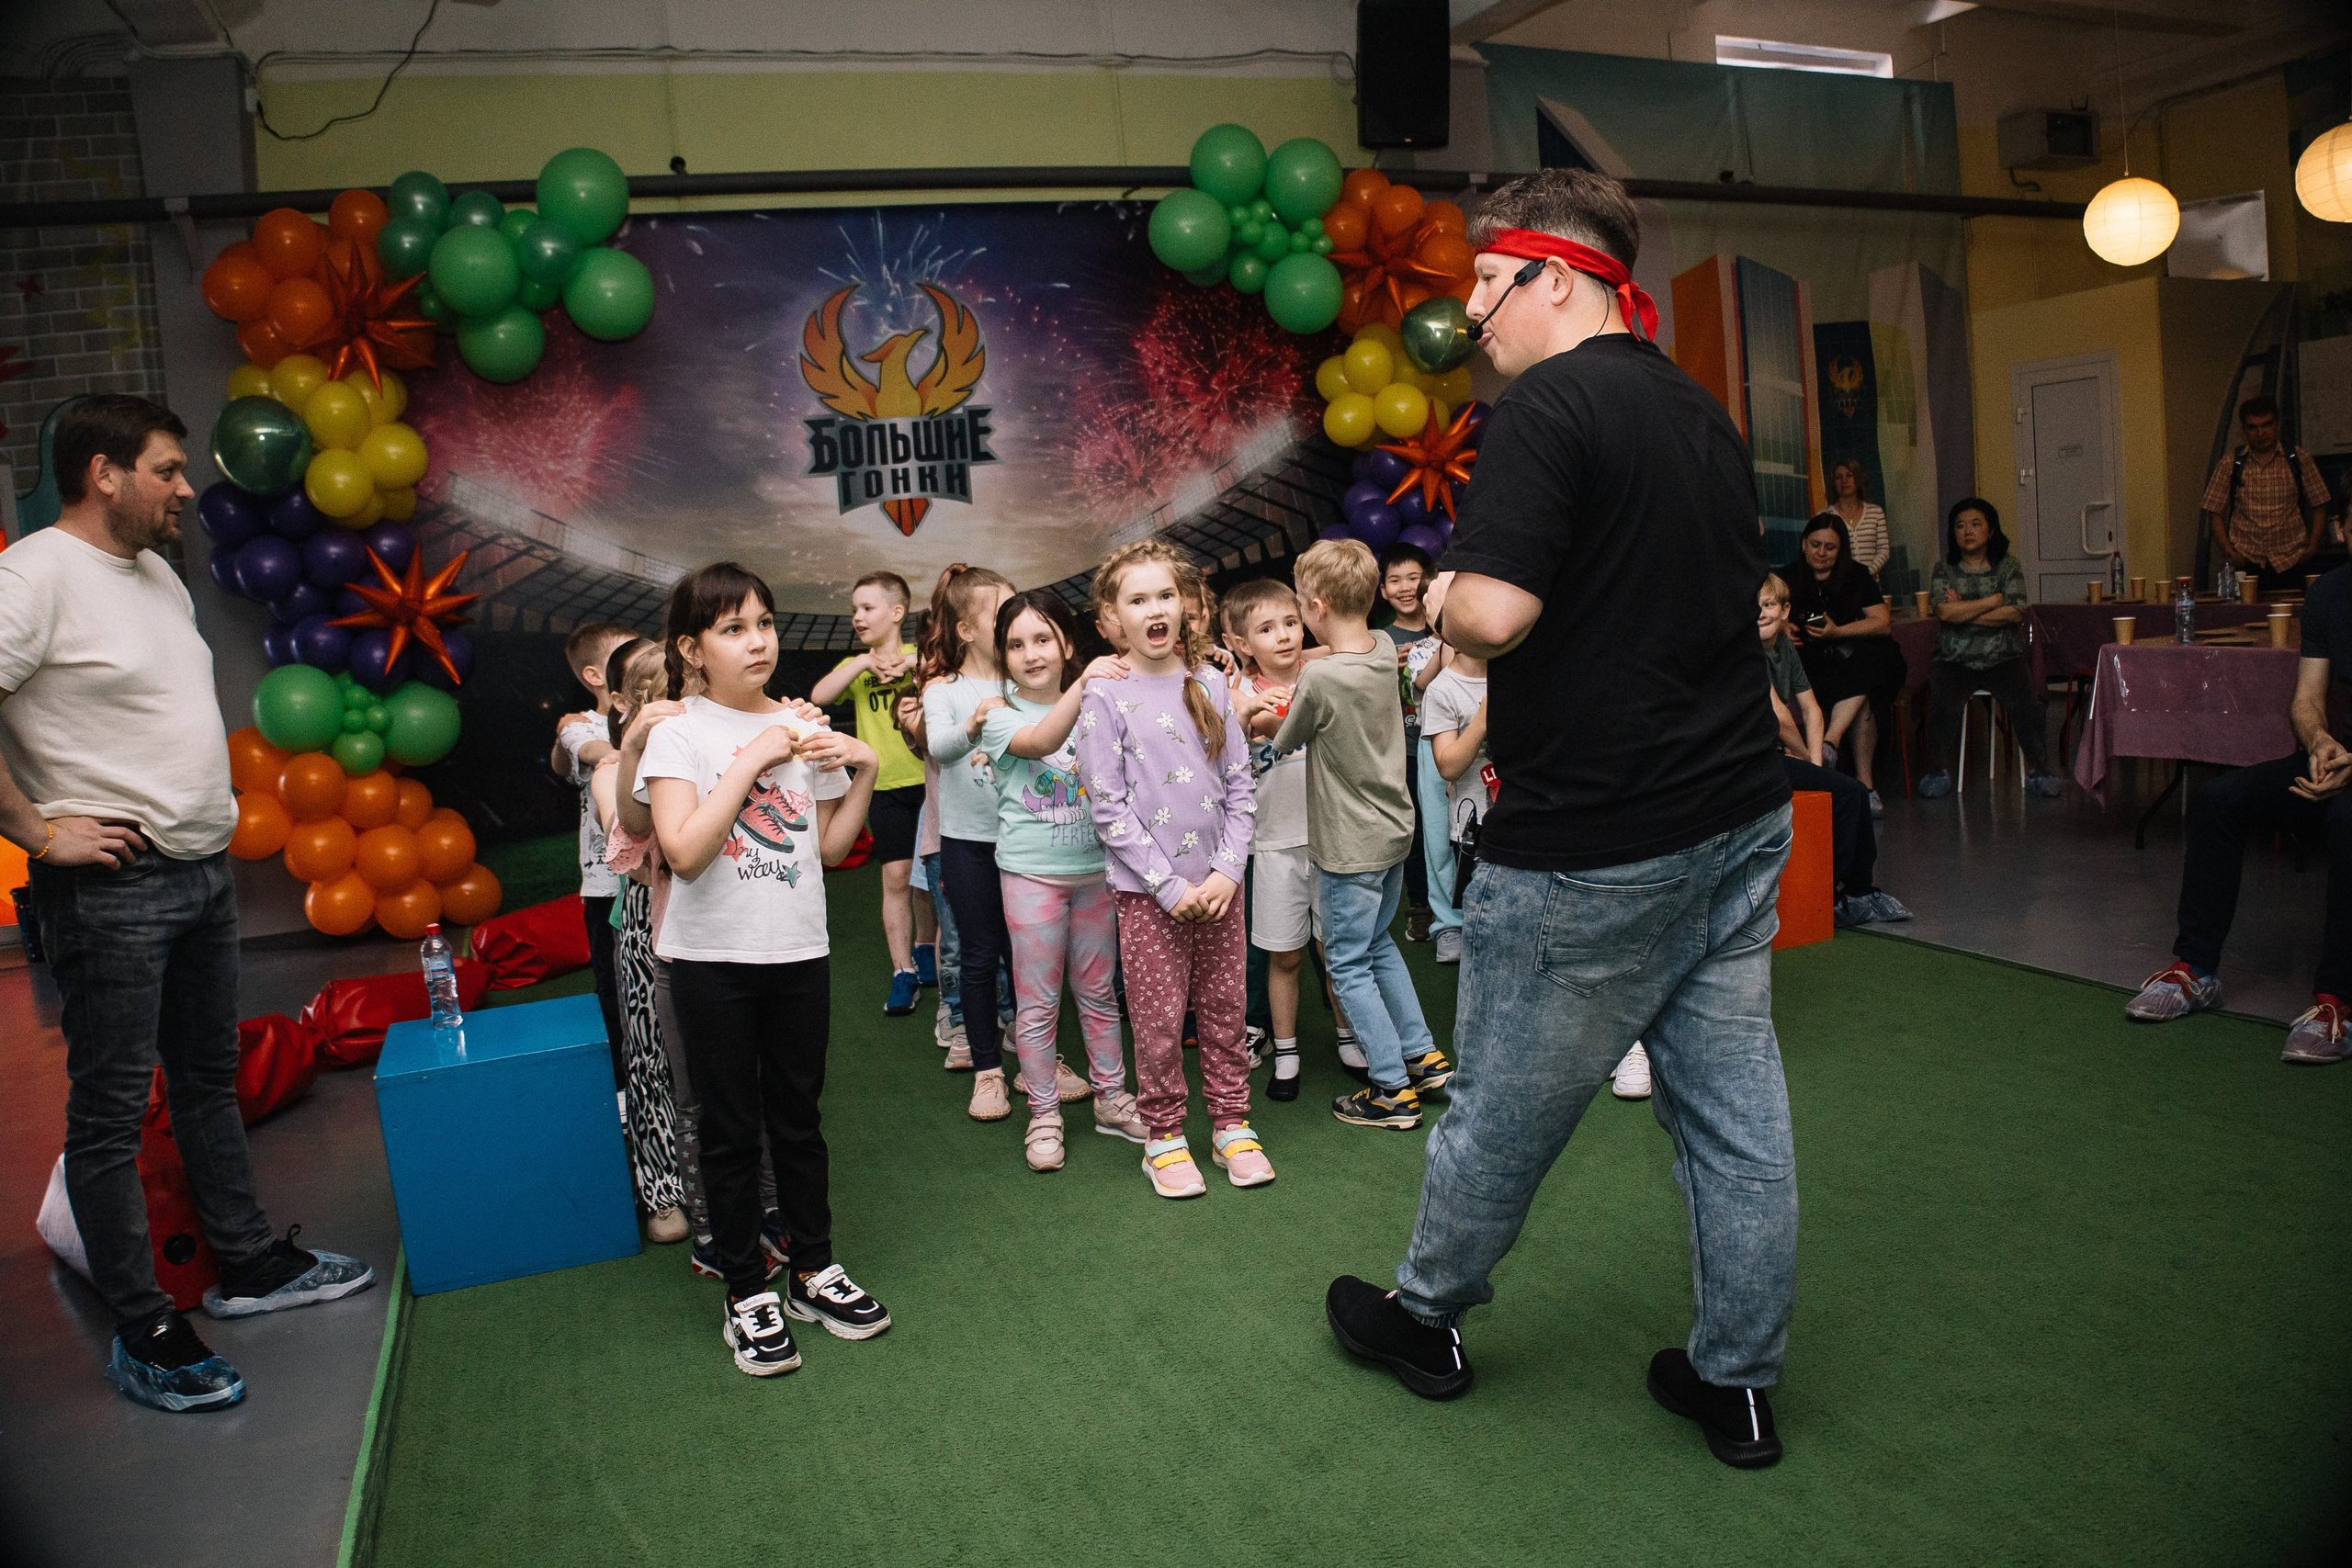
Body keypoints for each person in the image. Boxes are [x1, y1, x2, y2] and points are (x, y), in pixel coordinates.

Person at [1322, 169, 1798, 1471]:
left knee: (1498, 1114)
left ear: (1561, 278)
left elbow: (1494, 616)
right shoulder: (1696, 402)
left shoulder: (1544, 407)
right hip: (1739, 813)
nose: (1469, 307)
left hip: (1600, 837)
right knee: (1733, 1113)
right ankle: (1737, 1380)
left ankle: (1424, 1317)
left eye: (1488, 280)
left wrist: (1445, 599)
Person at [0, 395, 371, 1413]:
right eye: (166, 470)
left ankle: (247, 1267)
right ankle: (144, 1325)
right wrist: (36, 831)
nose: (184, 490)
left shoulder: (156, 573)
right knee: (112, 1114)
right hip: (110, 887)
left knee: (208, 1083)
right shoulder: (32, 577)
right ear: (103, 474)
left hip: (199, 874)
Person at [639, 562, 889, 1376]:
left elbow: (824, 848)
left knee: (799, 1118)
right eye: (734, 628)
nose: (759, 641)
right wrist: (755, 755)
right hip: (712, 962)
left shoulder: (799, 724)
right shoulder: (682, 732)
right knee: (729, 1127)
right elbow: (682, 849)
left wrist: (863, 769)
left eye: (766, 623)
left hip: (798, 952)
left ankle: (815, 1269)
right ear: (693, 647)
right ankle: (746, 1287)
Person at [1076, 541, 1273, 1196]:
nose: (1155, 609)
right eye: (1138, 599)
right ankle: (1162, 1134)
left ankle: (1231, 1123)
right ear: (1111, 619)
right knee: (1160, 1020)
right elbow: (1106, 805)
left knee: (1224, 1005)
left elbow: (1240, 785)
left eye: (1165, 595)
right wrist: (1166, 884)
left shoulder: (1212, 681)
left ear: (1186, 606)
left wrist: (1226, 870)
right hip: (1148, 896)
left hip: (1221, 889)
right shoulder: (1106, 694)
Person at [2124, 555, 2349, 1063]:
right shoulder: (2330, 594)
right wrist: (2318, 743)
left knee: (2346, 820)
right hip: (2334, 758)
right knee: (2220, 799)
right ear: (2343, 529)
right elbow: (2305, 700)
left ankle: (2338, 1003)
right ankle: (2196, 971)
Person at [1273, 538, 1453, 1132]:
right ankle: (1423, 1055)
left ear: (1316, 606)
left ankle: (1390, 1088)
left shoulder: (1319, 676)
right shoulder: (1383, 647)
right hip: (1394, 829)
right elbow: (1349, 648)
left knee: (1347, 962)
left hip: (1348, 844)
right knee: (1380, 946)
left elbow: (1283, 740)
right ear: (1374, 594)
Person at [971, 592, 1148, 1166]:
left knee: (1099, 993)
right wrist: (1088, 679)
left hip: (1098, 873)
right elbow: (1041, 741)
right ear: (1002, 655)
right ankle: (1044, 1113)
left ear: (1066, 643)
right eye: (1016, 644)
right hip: (1031, 876)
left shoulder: (1103, 701)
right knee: (1038, 1003)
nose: (1031, 653)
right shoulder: (997, 715)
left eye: (1043, 639)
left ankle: (1111, 1099)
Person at [588, 638, 688, 1245]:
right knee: (650, 1059)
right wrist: (636, 750)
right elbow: (628, 853)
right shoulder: (610, 771)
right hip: (646, 927)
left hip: (712, 926)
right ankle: (662, 1189)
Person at [917, 565, 1025, 1101]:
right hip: (968, 844)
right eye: (1000, 612)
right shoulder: (945, 690)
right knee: (981, 955)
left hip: (1028, 842)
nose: (1013, 620)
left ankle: (1037, 1060)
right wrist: (973, 723)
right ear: (964, 629)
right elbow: (938, 747)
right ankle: (988, 1070)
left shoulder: (1026, 678)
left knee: (1030, 956)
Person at [810, 570, 934, 1016]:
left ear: (897, 612)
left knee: (930, 879)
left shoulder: (923, 657)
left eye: (867, 608)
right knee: (897, 878)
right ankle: (903, 970)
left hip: (930, 783)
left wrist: (914, 669)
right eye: (854, 610)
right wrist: (863, 663)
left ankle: (927, 947)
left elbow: (957, 681)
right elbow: (819, 695)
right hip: (883, 790)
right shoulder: (856, 667)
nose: (858, 617)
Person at [1760, 574, 1912, 927]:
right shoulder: (1749, 653)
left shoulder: (1783, 648)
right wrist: (1814, 767)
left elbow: (1812, 710)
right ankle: (1830, 894)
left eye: (1768, 606)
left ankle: (1860, 888)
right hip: (1755, 760)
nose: (1761, 615)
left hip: (1779, 754)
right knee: (1848, 794)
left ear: (1785, 612)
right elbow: (1780, 717)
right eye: (1755, 608)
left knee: (1854, 792)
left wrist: (1815, 763)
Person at [1224, 578, 1320, 1101]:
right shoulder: (1235, 695)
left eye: (1290, 622)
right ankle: (1286, 1051)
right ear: (1242, 643)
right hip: (1274, 841)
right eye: (1266, 628)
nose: (1284, 636)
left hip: (1335, 839)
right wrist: (1254, 713)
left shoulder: (1326, 674)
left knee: (1338, 949)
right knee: (1284, 954)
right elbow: (1229, 743)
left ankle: (1352, 1040)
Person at [1916, 499, 2063, 800]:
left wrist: (1963, 610)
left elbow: (2014, 613)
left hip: (2003, 657)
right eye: (1959, 525)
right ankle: (1936, 771)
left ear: (1990, 530)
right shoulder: (1943, 569)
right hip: (1955, 659)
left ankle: (2039, 770)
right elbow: (1944, 614)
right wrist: (1990, 602)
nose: (1967, 531)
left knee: (2026, 703)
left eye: (1975, 524)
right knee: (1941, 705)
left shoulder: (2008, 566)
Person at [552, 619, 639, 1088]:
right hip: (608, 886)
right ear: (594, 676)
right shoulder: (580, 724)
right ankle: (624, 1084)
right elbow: (592, 750)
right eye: (626, 654)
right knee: (616, 988)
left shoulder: (663, 712)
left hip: (659, 881)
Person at [1785, 513, 1905, 816]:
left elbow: (1882, 623)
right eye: (1815, 544)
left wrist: (1837, 632)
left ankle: (1830, 743)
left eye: (1830, 547)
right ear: (1803, 543)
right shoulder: (1786, 577)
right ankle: (1865, 786)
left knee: (1873, 659)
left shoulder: (1857, 574)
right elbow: (1764, 616)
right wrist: (1782, 627)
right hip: (1811, 666)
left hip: (1852, 659)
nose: (1822, 553)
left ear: (1841, 550)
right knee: (1864, 691)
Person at [1376, 543, 1444, 943]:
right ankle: (1420, 906)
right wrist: (1388, 668)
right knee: (1417, 830)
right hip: (1406, 749)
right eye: (1394, 580)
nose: (1405, 588)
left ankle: (1462, 902)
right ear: (1382, 590)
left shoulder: (1448, 627)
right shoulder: (1381, 640)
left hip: (1451, 746)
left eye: (1413, 578)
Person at [2201, 394, 2331, 595]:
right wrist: (2228, 551)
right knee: (2239, 618)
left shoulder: (2298, 458)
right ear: (2244, 430)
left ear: (2277, 425)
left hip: (2292, 560)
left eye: (2266, 425)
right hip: (2245, 562)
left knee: (2294, 619)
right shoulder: (2230, 463)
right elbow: (2213, 510)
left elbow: (2320, 504)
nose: (2260, 433)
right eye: (2252, 427)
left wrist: (2312, 547)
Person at [1827, 458, 1890, 581]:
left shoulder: (1876, 512)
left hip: (1871, 584)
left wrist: (1867, 573)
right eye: (1838, 477)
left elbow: (1884, 550)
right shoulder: (1825, 516)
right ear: (1833, 483)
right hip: (1839, 586)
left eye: (1849, 475)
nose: (1844, 481)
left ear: (1858, 479)